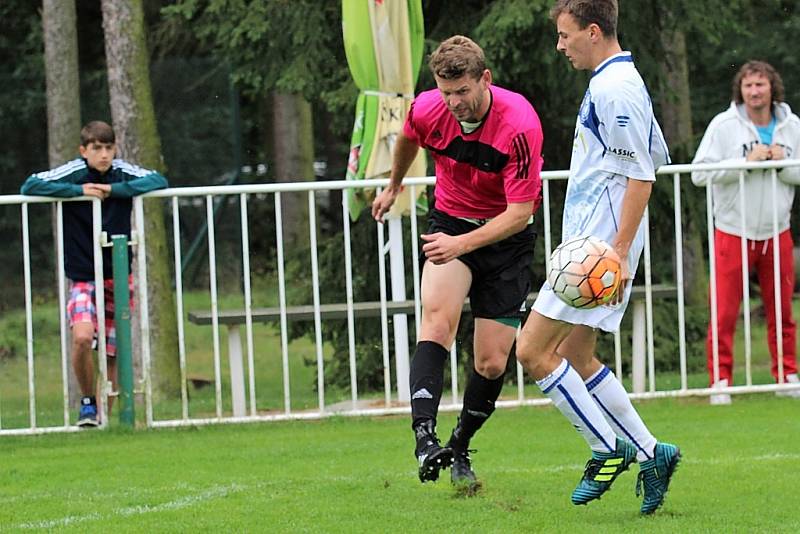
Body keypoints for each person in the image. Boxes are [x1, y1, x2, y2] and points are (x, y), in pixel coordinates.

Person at [514, 0, 680, 515]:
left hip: (597, 253)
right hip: (596, 247)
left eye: (566, 36)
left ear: (592, 31)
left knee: (532, 350)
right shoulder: (613, 81)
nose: (560, 46)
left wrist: (619, 252)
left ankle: (607, 447)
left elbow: (642, 175)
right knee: (578, 358)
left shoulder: (616, 89)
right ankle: (654, 453)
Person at [371, 35, 544, 488]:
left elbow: (520, 212)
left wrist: (463, 245)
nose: (455, 103)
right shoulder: (430, 108)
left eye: (463, 92)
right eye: (446, 93)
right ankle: (425, 439)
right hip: (450, 221)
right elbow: (409, 137)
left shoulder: (519, 124)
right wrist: (394, 186)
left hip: (506, 237)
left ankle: (461, 444)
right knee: (436, 320)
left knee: (490, 361)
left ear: (484, 79)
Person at [20, 120, 168, 427]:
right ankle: (87, 401)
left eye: (109, 148)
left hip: (118, 273)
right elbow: (30, 185)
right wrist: (78, 191)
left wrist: (115, 190)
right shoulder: (73, 172)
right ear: (83, 150)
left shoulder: (121, 171)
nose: (103, 155)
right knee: (83, 337)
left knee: (114, 353)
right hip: (84, 276)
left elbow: (158, 180)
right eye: (97, 148)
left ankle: (102, 421)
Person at [691, 60, 800, 404]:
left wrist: (782, 162)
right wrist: (744, 163)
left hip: (776, 230)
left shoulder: (792, 125)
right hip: (732, 230)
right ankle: (720, 381)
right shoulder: (724, 126)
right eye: (749, 85)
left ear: (772, 88)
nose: (754, 91)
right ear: (740, 90)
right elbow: (698, 174)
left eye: (761, 85)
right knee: (724, 312)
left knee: (781, 309)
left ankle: (786, 374)